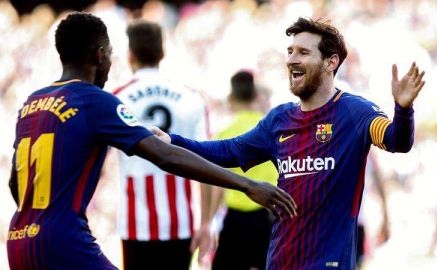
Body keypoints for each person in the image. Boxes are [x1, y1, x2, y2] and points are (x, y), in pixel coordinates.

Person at [6, 12, 296, 270]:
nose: (111, 62)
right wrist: (247, 184)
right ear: (99, 56)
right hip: (67, 241)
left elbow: (14, 184)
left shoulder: (32, 103)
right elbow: (166, 156)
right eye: (109, 54)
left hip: (19, 240)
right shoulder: (96, 100)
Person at [154, 17, 426, 269]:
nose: (291, 60)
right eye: (290, 51)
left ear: (331, 62)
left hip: (328, 264)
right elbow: (228, 152)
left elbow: (396, 141)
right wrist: (172, 141)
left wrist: (403, 110)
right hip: (281, 260)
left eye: (303, 53)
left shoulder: (356, 112)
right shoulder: (279, 120)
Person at [112, 20, 215, 270]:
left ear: (130, 55)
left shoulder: (117, 98)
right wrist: (206, 223)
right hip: (180, 221)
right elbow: (208, 162)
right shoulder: (191, 97)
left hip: (136, 222)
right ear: (162, 53)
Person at [210, 70, 278, 270]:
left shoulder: (223, 133)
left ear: (231, 98)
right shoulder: (272, 131)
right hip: (267, 216)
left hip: (236, 219)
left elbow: (216, 185)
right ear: (256, 95)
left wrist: (209, 220)